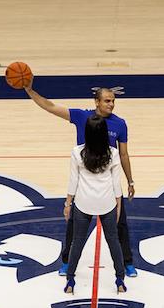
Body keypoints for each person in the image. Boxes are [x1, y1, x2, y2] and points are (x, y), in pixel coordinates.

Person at [24, 79, 138, 277]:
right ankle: (68, 262)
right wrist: (29, 90)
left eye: (112, 101)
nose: (111, 104)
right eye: (107, 101)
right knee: (74, 227)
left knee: (120, 224)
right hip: (84, 183)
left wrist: (130, 181)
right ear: (96, 102)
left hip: (107, 183)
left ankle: (126, 263)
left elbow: (124, 155)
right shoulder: (81, 116)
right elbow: (50, 106)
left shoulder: (120, 124)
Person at [63, 114, 126, 294]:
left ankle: (70, 281)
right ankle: (120, 280)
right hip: (107, 204)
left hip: (83, 204)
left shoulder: (77, 152)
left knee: (77, 242)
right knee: (114, 242)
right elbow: (116, 184)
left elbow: (72, 182)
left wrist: (68, 204)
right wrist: (118, 206)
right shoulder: (113, 153)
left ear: (87, 133)